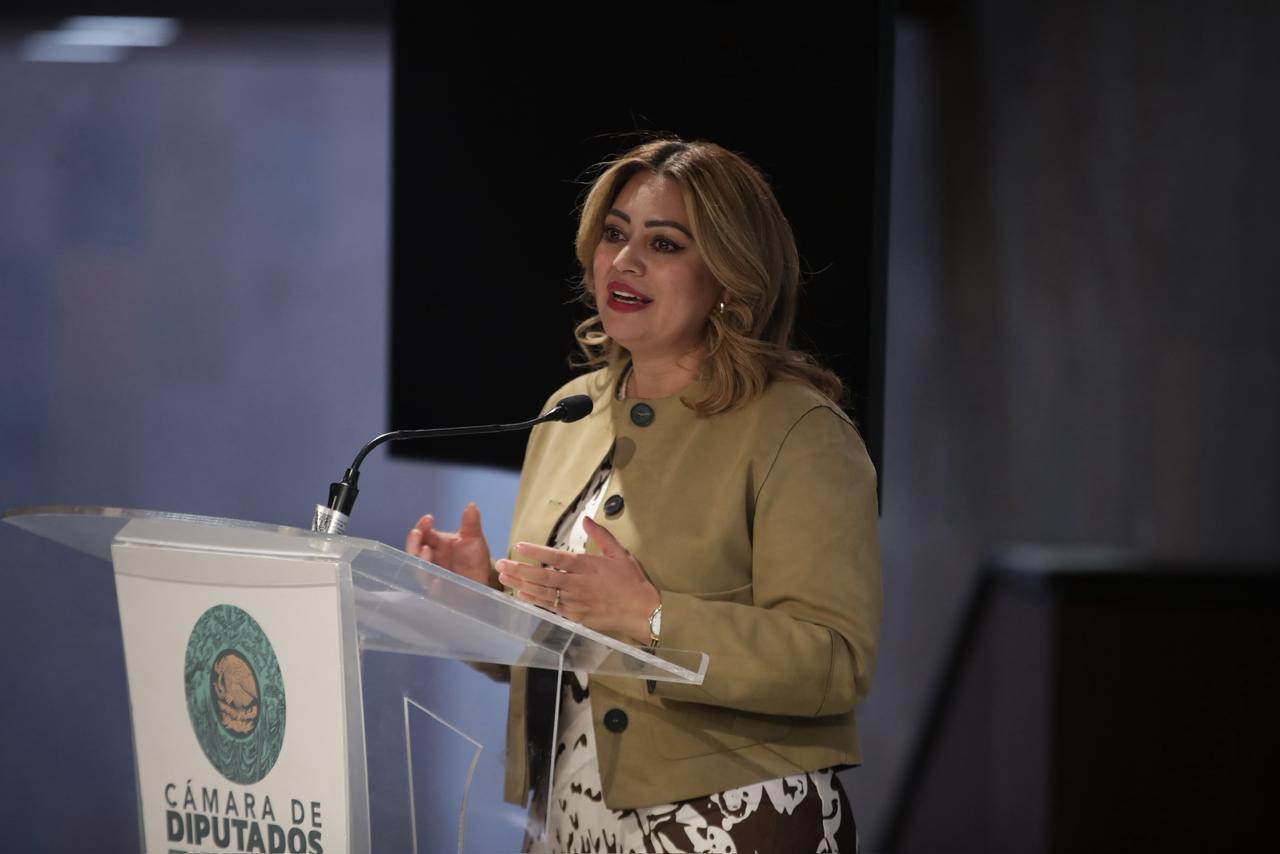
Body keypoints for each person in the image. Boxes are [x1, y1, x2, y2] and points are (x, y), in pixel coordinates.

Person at [406, 138, 882, 853]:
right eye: (614, 234)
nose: (625, 261)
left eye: (664, 243)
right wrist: (479, 601)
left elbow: (835, 662)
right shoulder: (569, 413)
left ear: (728, 276)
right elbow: (565, 653)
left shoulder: (798, 429)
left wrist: (653, 617)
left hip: (727, 820)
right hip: (568, 818)